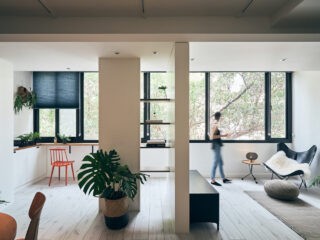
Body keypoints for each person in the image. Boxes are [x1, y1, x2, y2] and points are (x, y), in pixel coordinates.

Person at [210, 112, 231, 186]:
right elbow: (212, 137)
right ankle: (212, 180)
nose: (222, 118)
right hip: (216, 145)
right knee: (215, 163)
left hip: (217, 145)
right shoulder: (215, 124)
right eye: (222, 117)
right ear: (219, 117)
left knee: (220, 163)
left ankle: (223, 178)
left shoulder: (216, 124)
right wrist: (224, 135)